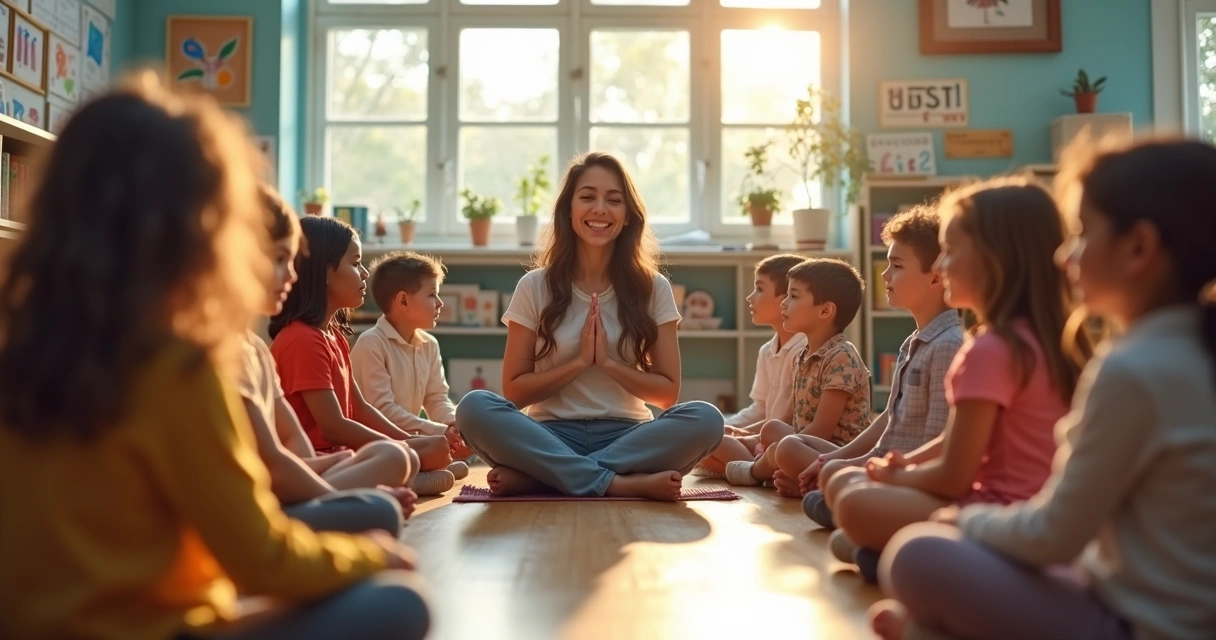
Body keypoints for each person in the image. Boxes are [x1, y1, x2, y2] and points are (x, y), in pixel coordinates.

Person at [0, 71, 428, 640]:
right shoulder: (175, 367)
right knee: (399, 602)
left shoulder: (22, 347)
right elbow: (261, 559)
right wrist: (370, 557)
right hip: (157, 628)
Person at [871, 138, 1216, 640]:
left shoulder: (1135, 369)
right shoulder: (1185, 351)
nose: (1062, 255)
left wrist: (963, 522)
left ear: (1139, 247)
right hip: (1137, 593)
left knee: (915, 554)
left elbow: (1054, 535)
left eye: (1081, 234)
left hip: (1138, 623)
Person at [833, 177, 1091, 582]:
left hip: (995, 510)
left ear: (996, 259)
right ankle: (883, 553)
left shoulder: (990, 349)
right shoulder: (1050, 339)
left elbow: (954, 477)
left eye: (950, 251)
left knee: (851, 503)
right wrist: (907, 463)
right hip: (1035, 513)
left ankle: (905, 557)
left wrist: (898, 476)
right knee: (847, 489)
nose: (940, 266)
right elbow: (958, 440)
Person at [454, 151, 724, 501]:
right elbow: (515, 392)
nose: (600, 209)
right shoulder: (534, 286)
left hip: (627, 437)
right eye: (587, 197)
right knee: (474, 407)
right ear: (568, 210)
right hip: (549, 436)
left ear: (627, 216)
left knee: (707, 419)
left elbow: (666, 394)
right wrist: (579, 362)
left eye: (613, 200)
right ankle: (615, 483)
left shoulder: (654, 288)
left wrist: (608, 363)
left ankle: (547, 478)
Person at [239, 185, 419, 534]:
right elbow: (276, 461)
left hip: (302, 473)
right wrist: (348, 498)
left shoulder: (257, 350)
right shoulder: (295, 340)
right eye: (280, 261)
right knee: (388, 495)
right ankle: (362, 498)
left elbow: (295, 446)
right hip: (266, 498)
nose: (292, 274)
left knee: (396, 458)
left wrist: (404, 442)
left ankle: (363, 495)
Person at [794, 205, 963, 527]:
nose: (884, 275)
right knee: (829, 473)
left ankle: (860, 518)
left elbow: (937, 442)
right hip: (888, 467)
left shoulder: (948, 346)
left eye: (896, 265)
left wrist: (865, 469)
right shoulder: (914, 342)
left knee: (834, 487)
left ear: (936, 277)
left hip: (912, 478)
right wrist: (834, 460)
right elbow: (888, 418)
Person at [270, 215, 456, 496]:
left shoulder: (334, 336)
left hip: (342, 455)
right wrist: (403, 448)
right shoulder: (301, 339)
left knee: (428, 448)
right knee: (398, 456)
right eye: (356, 263)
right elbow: (334, 428)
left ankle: (402, 474)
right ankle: (399, 477)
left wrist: (410, 439)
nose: (365, 273)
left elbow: (360, 410)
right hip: (317, 463)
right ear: (325, 271)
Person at [722, 259, 871, 488]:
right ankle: (787, 475)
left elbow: (821, 431)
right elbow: (786, 419)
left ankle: (757, 472)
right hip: (802, 442)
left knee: (785, 448)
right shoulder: (803, 355)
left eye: (793, 296)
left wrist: (772, 446)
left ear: (825, 310)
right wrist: (751, 437)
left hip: (835, 453)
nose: (784, 303)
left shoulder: (841, 357)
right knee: (771, 429)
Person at [349, 251, 476, 478]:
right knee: (433, 452)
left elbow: (437, 398)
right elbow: (383, 411)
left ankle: (421, 471)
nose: (440, 303)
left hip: (411, 442)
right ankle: (412, 475)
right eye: (432, 295)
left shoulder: (429, 345)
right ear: (403, 301)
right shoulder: (371, 343)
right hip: (376, 444)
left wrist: (454, 425)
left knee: (452, 450)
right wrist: (439, 431)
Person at [694, 254, 808, 477]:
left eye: (759, 288)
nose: (750, 297)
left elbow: (793, 421)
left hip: (786, 442)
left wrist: (741, 434)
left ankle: (758, 472)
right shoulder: (767, 351)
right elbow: (760, 409)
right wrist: (727, 426)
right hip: (763, 440)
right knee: (703, 444)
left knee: (714, 445)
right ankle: (756, 471)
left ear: (786, 297)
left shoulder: (804, 351)